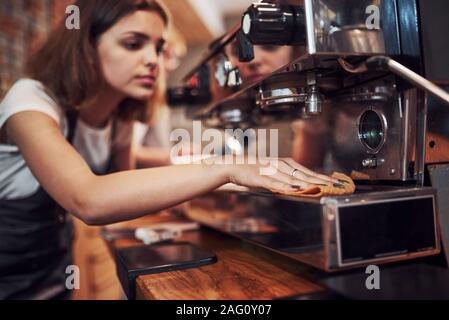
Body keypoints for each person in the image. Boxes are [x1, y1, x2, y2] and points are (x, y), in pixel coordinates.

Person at [0, 0, 338, 299]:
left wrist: (214, 192)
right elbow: (88, 199)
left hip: (52, 264)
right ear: (85, 46)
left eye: (158, 47)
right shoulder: (30, 99)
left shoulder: (120, 118)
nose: (152, 60)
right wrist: (224, 167)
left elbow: (125, 188)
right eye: (133, 44)